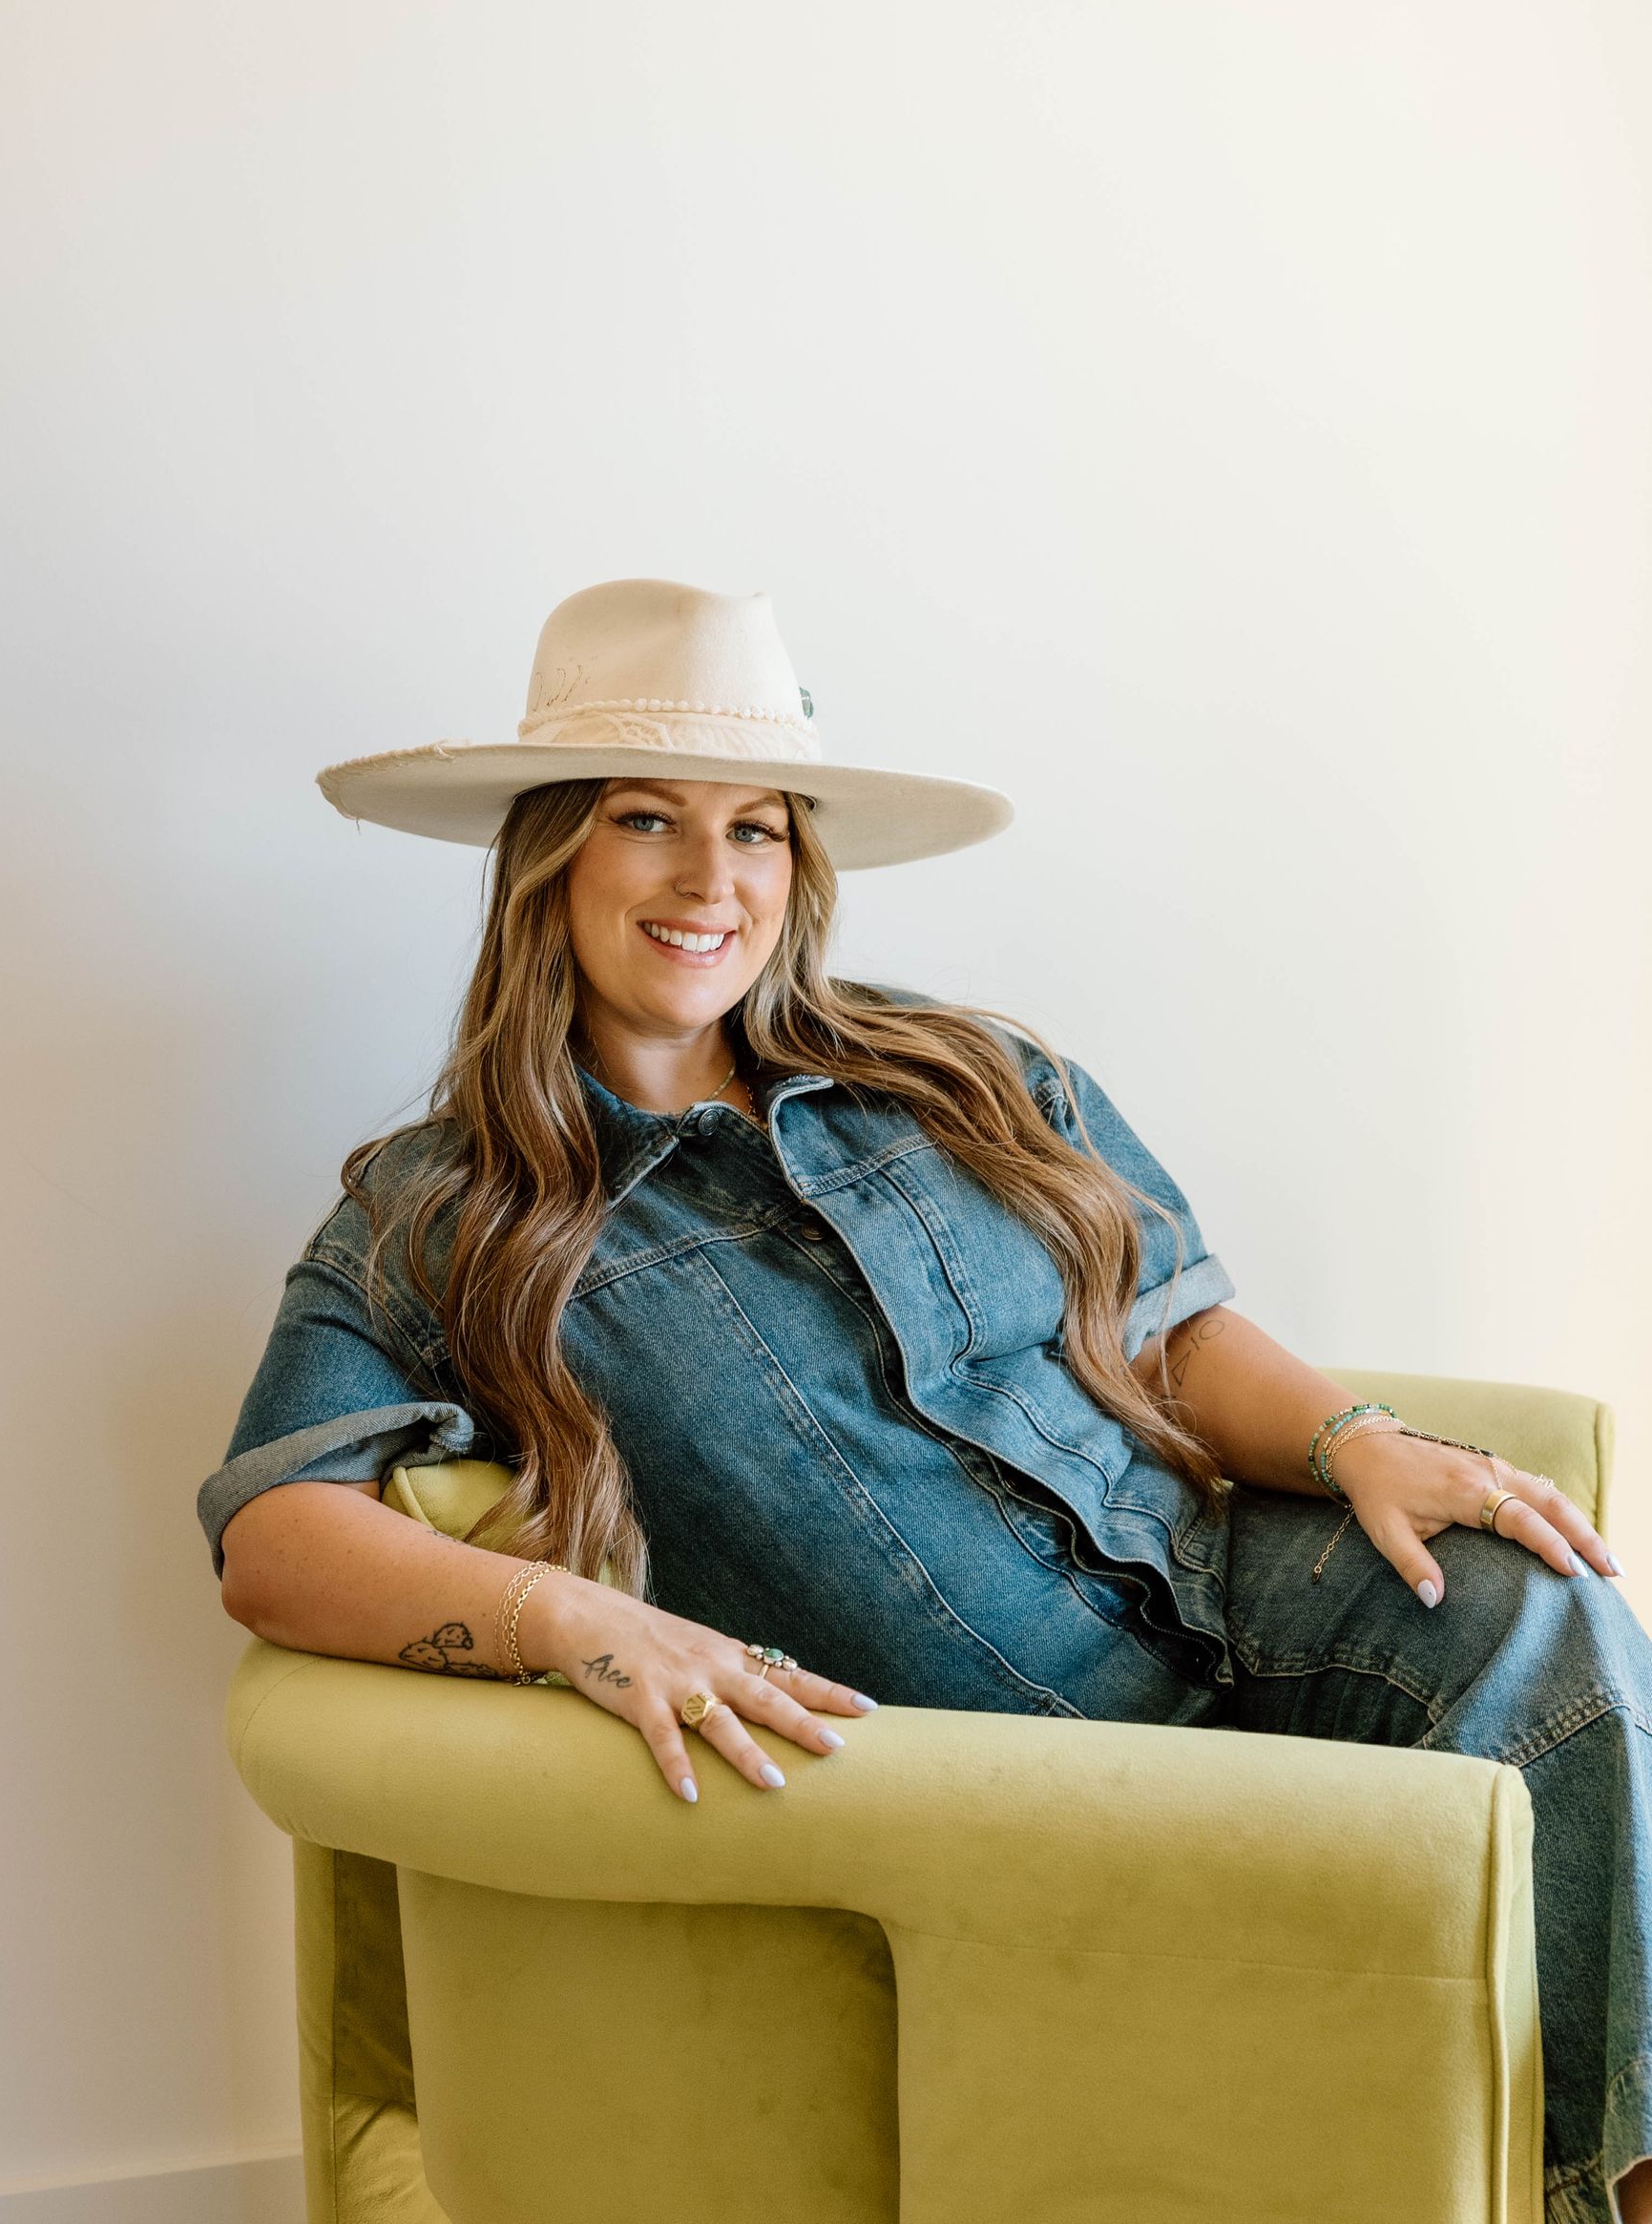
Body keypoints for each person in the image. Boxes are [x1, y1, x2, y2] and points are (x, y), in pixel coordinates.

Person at [203, 577, 1651, 2224]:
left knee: (1542, 1613)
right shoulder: (444, 1211)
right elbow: (277, 1530)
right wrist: (580, 1627)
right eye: (647, 821)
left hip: (1222, 1586)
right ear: (553, 857)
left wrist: (1349, 1439)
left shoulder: (966, 1072)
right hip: (1007, 1758)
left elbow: (1170, 1329)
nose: (709, 879)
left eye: (756, 830)